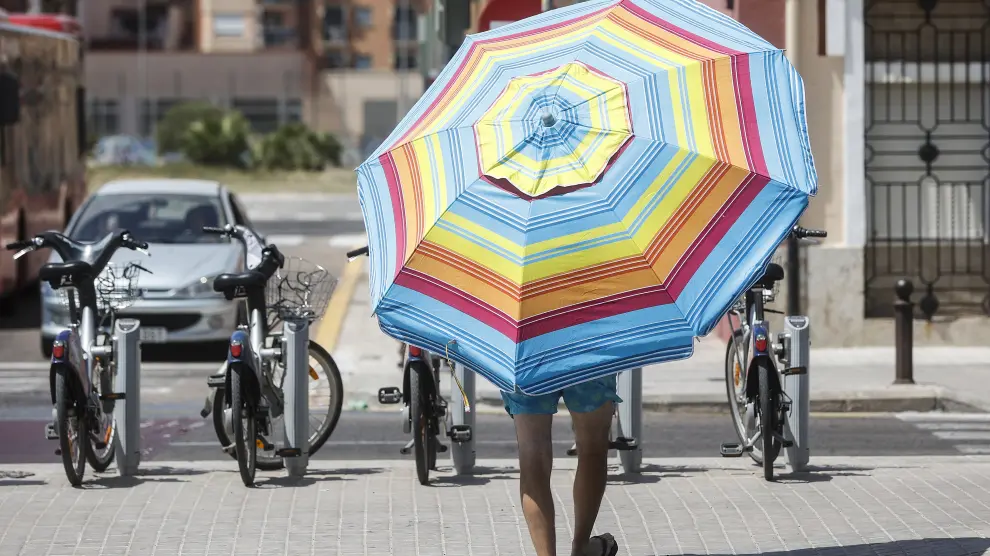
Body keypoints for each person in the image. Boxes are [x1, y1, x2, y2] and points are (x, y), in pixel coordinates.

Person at [502, 376, 622, 556]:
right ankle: (581, 547)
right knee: (592, 446)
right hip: (586, 361)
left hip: (527, 363)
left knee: (532, 455)